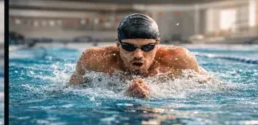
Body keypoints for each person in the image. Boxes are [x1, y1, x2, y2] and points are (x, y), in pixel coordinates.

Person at [68, 14, 209, 98]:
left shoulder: (179, 59)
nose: (138, 55)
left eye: (147, 47)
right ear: (118, 45)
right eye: (129, 47)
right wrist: (122, 97)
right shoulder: (93, 60)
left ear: (157, 44)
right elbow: (69, 92)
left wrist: (155, 96)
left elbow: (211, 88)